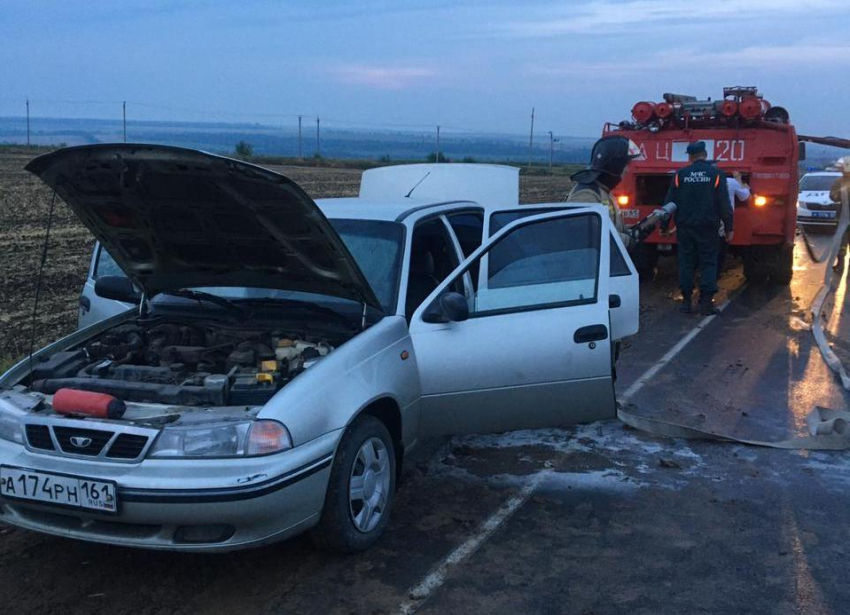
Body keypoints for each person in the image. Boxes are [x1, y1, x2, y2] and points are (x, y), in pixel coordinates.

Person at [661, 141, 734, 315]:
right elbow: (724, 204)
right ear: (705, 155)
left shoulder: (680, 175)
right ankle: (705, 303)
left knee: (686, 262)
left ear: (690, 156)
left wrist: (664, 225)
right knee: (708, 262)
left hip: (685, 227)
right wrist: (729, 228)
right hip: (708, 228)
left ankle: (686, 302)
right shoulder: (716, 174)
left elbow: (669, 203)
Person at [566, 135, 642, 247]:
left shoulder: (605, 192)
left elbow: (612, 228)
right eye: (625, 165)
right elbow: (590, 235)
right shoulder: (586, 195)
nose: (627, 170)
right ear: (614, 166)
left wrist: (633, 232)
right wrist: (627, 240)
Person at [717, 170, 750, 270]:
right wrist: (740, 181)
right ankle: (714, 275)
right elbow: (745, 196)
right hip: (722, 220)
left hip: (704, 218)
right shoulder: (731, 182)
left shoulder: (705, 181)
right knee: (720, 249)